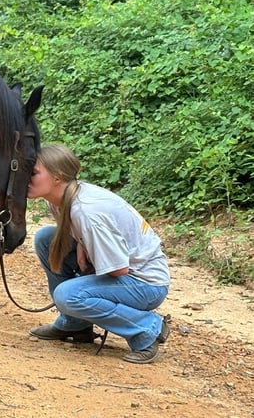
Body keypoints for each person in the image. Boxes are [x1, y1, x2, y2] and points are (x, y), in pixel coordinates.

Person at [26, 143, 171, 364]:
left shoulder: (86, 211)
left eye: (34, 173)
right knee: (46, 238)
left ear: (58, 176)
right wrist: (84, 246)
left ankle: (146, 328)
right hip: (128, 273)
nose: (26, 178)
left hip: (146, 284)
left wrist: (89, 272)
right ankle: (75, 324)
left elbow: (118, 268)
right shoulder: (60, 199)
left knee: (68, 295)